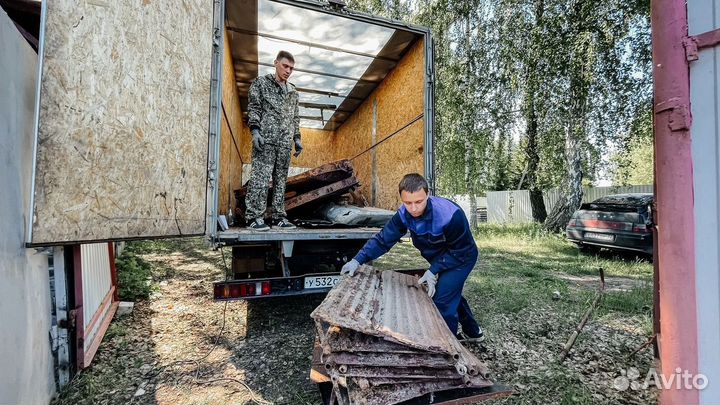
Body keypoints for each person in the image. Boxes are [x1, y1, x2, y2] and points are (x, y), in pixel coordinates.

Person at [341, 173, 484, 342]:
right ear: (402, 199)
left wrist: (433, 271)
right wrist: (357, 260)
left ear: (428, 195)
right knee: (450, 292)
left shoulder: (450, 215)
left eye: (419, 201)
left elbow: (460, 250)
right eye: (408, 203)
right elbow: (383, 240)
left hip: (462, 257)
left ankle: (448, 349)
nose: (414, 208)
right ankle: (474, 332)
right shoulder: (403, 214)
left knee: (442, 302)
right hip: (441, 257)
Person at [245, 50, 303, 231]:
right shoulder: (261, 83)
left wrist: (297, 138)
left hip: (285, 144)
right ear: (276, 63)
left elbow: (295, 117)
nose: (288, 71)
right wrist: (255, 132)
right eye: (285, 66)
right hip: (266, 140)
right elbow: (254, 108)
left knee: (280, 181)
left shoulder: (293, 91)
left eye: (291, 68)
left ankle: (278, 217)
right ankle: (253, 217)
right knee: (260, 179)